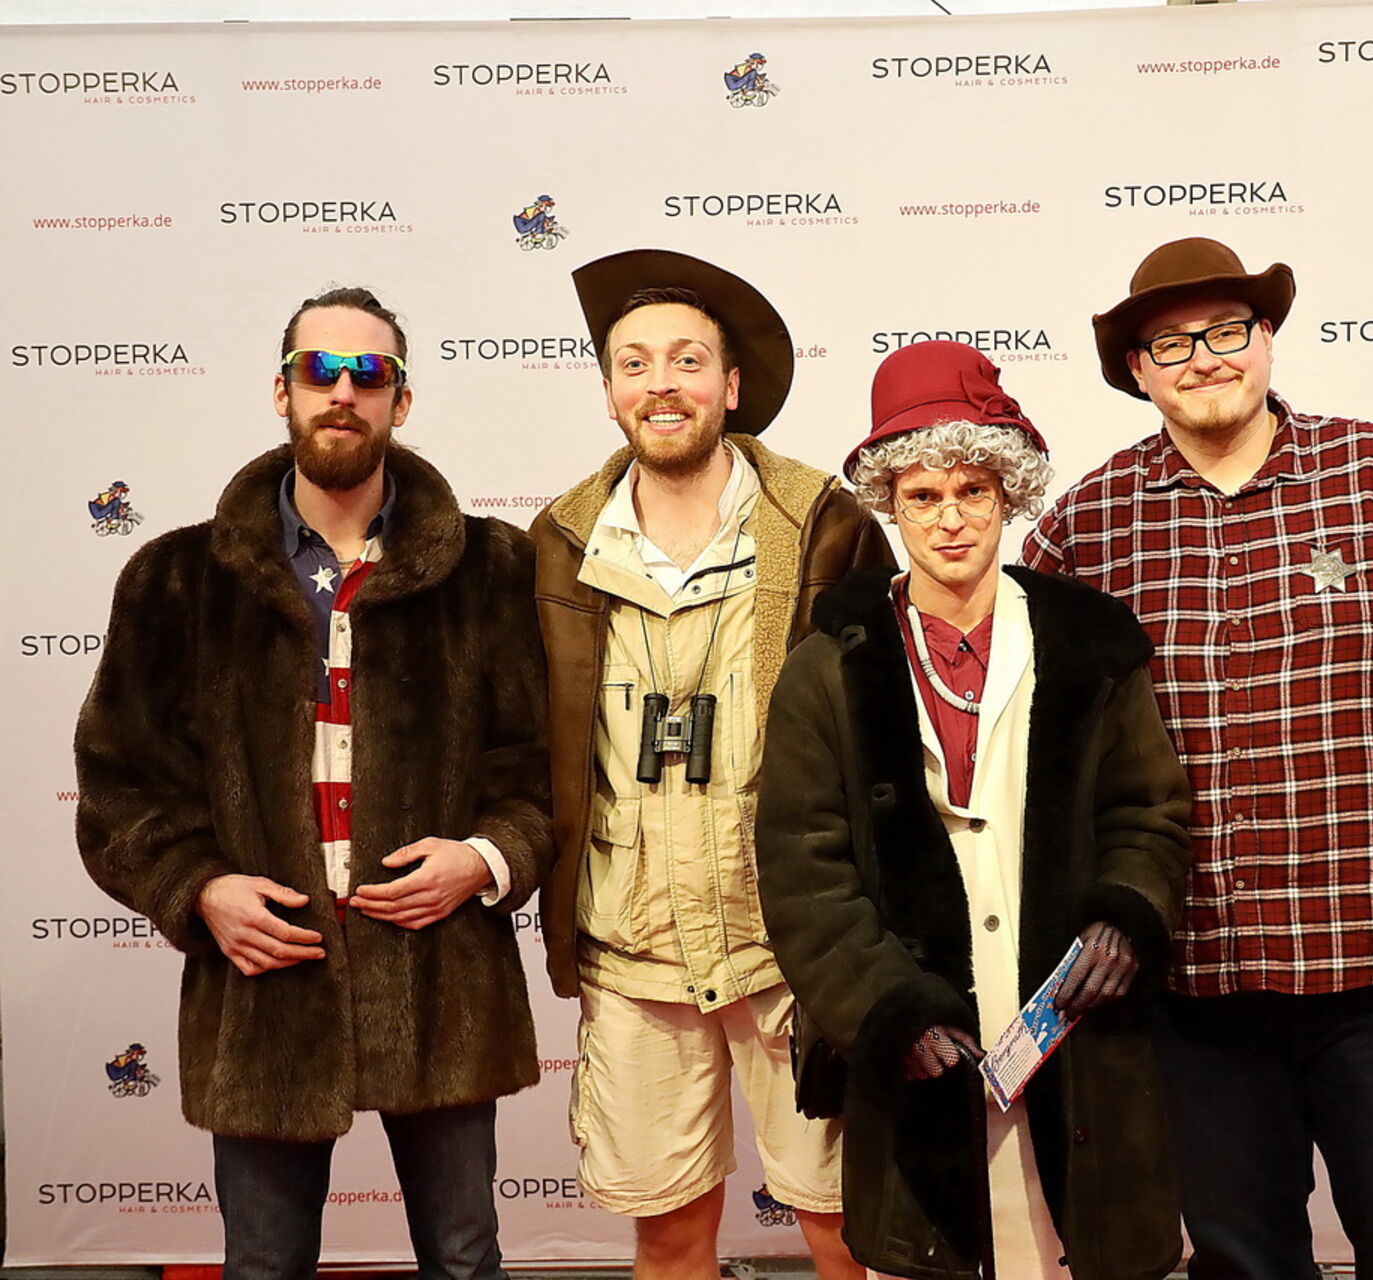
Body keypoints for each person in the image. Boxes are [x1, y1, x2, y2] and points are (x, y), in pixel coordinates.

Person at [1023, 237, 1373, 1279]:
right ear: (1138, 370)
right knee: (1243, 1263)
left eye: (1226, 330)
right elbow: (1038, 741)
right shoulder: (1084, 528)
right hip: (1194, 982)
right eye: (1170, 342)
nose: (1204, 357)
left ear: (1268, 338)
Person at [75, 286, 552, 1279]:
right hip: (264, 987)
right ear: (282, 391)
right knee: (263, 1264)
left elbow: (544, 768)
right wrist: (200, 887)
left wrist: (486, 857)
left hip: (441, 980)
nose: (343, 392)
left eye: (369, 373)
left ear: (401, 400)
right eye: (318, 370)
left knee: (465, 1257)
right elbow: (121, 787)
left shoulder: (495, 569)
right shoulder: (176, 579)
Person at [757, 340, 1193, 1279]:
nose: (950, 519)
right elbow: (804, 873)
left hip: (1073, 1027)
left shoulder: (1091, 641)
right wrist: (888, 1011)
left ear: (1009, 494)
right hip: (924, 1041)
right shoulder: (826, 668)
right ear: (890, 500)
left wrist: (1127, 914)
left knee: (1076, 1248)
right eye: (923, 496)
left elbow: (1148, 811)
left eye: (974, 492)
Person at [532, 249, 889, 1280]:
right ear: (609, 391)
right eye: (635, 363)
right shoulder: (559, 541)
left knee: (847, 1230)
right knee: (669, 1234)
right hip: (633, 948)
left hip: (794, 951)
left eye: (688, 360)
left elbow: (880, 744)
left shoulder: (822, 524)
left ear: (731, 386)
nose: (662, 384)